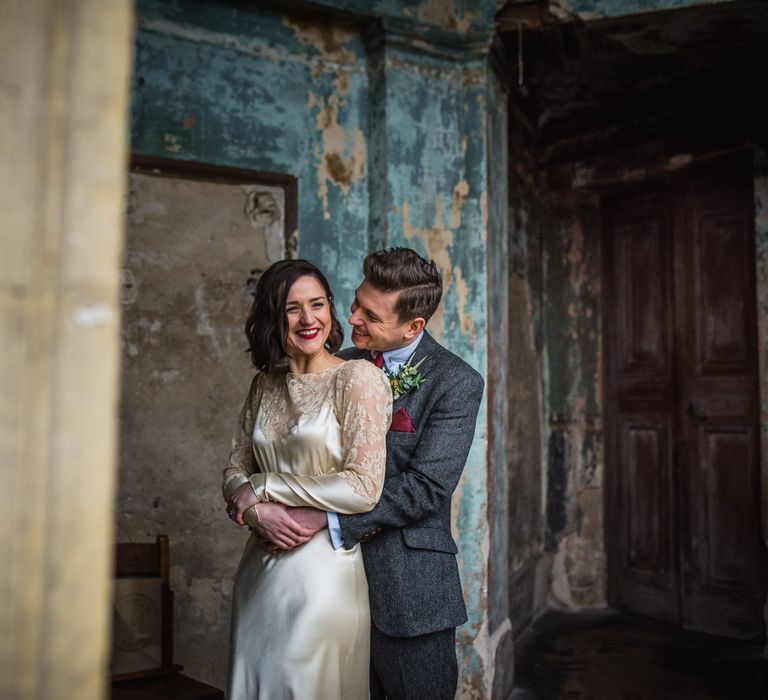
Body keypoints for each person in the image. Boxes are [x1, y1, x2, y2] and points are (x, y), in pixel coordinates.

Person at [262, 248, 485, 700]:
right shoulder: (337, 364)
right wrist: (252, 498)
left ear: (413, 327)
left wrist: (322, 520)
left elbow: (426, 488)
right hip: (324, 589)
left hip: (407, 590)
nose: (353, 319)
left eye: (371, 315)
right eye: (356, 304)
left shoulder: (456, 382)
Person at [222, 259, 392, 700]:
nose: (308, 319)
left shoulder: (357, 378)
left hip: (323, 571)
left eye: (317, 304)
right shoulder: (264, 384)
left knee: (303, 682)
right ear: (272, 318)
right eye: (292, 309)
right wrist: (256, 511)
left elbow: (363, 488)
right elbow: (233, 470)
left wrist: (263, 488)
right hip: (260, 567)